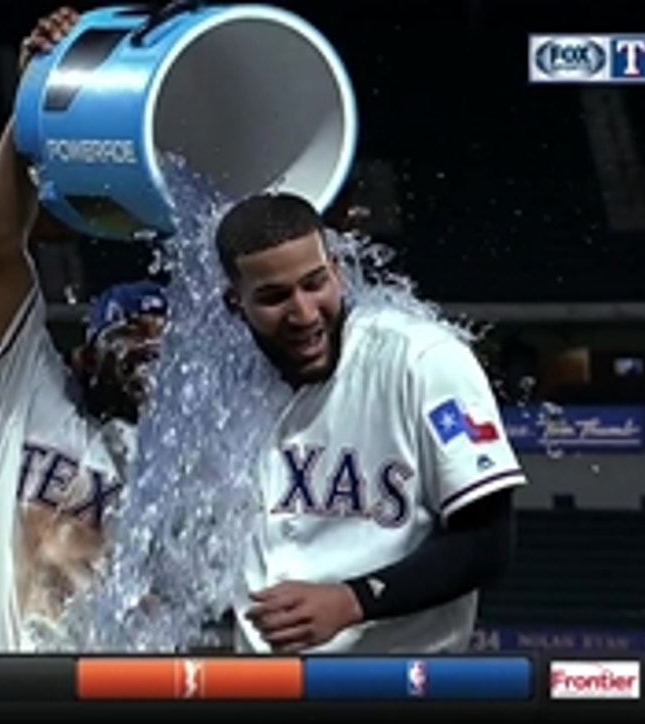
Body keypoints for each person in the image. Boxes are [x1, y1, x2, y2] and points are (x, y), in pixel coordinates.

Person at [0, 7, 168, 653]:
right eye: (129, 333)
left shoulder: (185, 459)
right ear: (82, 361)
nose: (149, 347)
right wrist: (34, 106)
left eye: (163, 336)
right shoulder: (24, 400)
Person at [215, 192, 526, 653]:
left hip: (399, 689)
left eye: (315, 283)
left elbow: (487, 544)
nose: (303, 313)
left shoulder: (422, 360)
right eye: (275, 297)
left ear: (338, 271)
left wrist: (353, 600)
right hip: (265, 690)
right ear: (236, 305)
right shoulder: (222, 387)